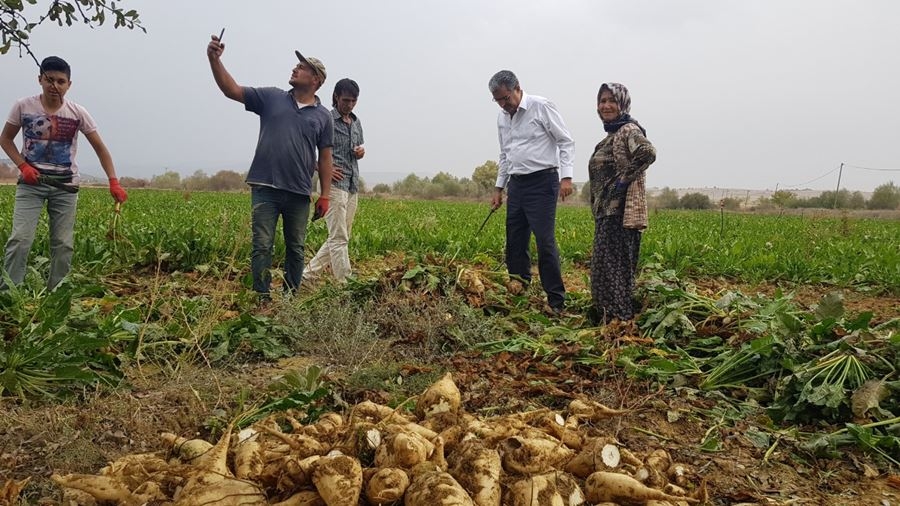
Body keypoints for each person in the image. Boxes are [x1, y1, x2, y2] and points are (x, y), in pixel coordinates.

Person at [207, 34, 333, 301]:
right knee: (262, 245)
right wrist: (214, 60)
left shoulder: (324, 116)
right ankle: (262, 299)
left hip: (299, 192)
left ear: (316, 80)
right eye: (296, 65)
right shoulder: (271, 97)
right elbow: (232, 90)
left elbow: (325, 158)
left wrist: (325, 195)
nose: (295, 68)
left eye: (302, 67)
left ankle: (289, 301)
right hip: (265, 186)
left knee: (296, 249)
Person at [1, 56, 128, 290]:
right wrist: (23, 166)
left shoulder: (77, 113)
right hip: (31, 185)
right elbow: (5, 139)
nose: (55, 86)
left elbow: (100, 148)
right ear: (40, 80)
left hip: (65, 187)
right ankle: (10, 294)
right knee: (20, 239)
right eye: (49, 80)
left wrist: (113, 181)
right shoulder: (23, 106)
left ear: (69, 84)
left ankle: (57, 295)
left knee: (63, 243)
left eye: (61, 81)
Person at [488, 70, 574, 315]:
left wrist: (566, 177)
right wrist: (499, 188)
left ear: (517, 88)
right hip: (517, 184)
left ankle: (556, 300)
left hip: (542, 182)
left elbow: (565, 141)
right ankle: (519, 287)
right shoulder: (502, 117)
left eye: (505, 98)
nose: (503, 105)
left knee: (544, 241)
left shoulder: (541, 106)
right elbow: (505, 154)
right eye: (497, 100)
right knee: (515, 238)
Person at [587, 82, 656, 324]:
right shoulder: (611, 135)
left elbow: (647, 152)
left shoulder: (628, 130)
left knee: (613, 272)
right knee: (604, 272)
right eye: (602, 101)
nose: (605, 106)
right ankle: (609, 320)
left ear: (623, 104)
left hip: (619, 215)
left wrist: (623, 181)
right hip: (606, 213)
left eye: (611, 101)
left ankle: (620, 322)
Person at [303, 78, 365, 284]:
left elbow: (357, 149)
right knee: (339, 238)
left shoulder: (356, 122)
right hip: (333, 186)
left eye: (354, 101)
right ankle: (346, 284)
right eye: (346, 100)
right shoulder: (325, 118)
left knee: (340, 236)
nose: (350, 105)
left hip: (352, 185)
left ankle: (306, 275)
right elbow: (305, 146)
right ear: (336, 97)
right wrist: (320, 167)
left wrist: (360, 152)